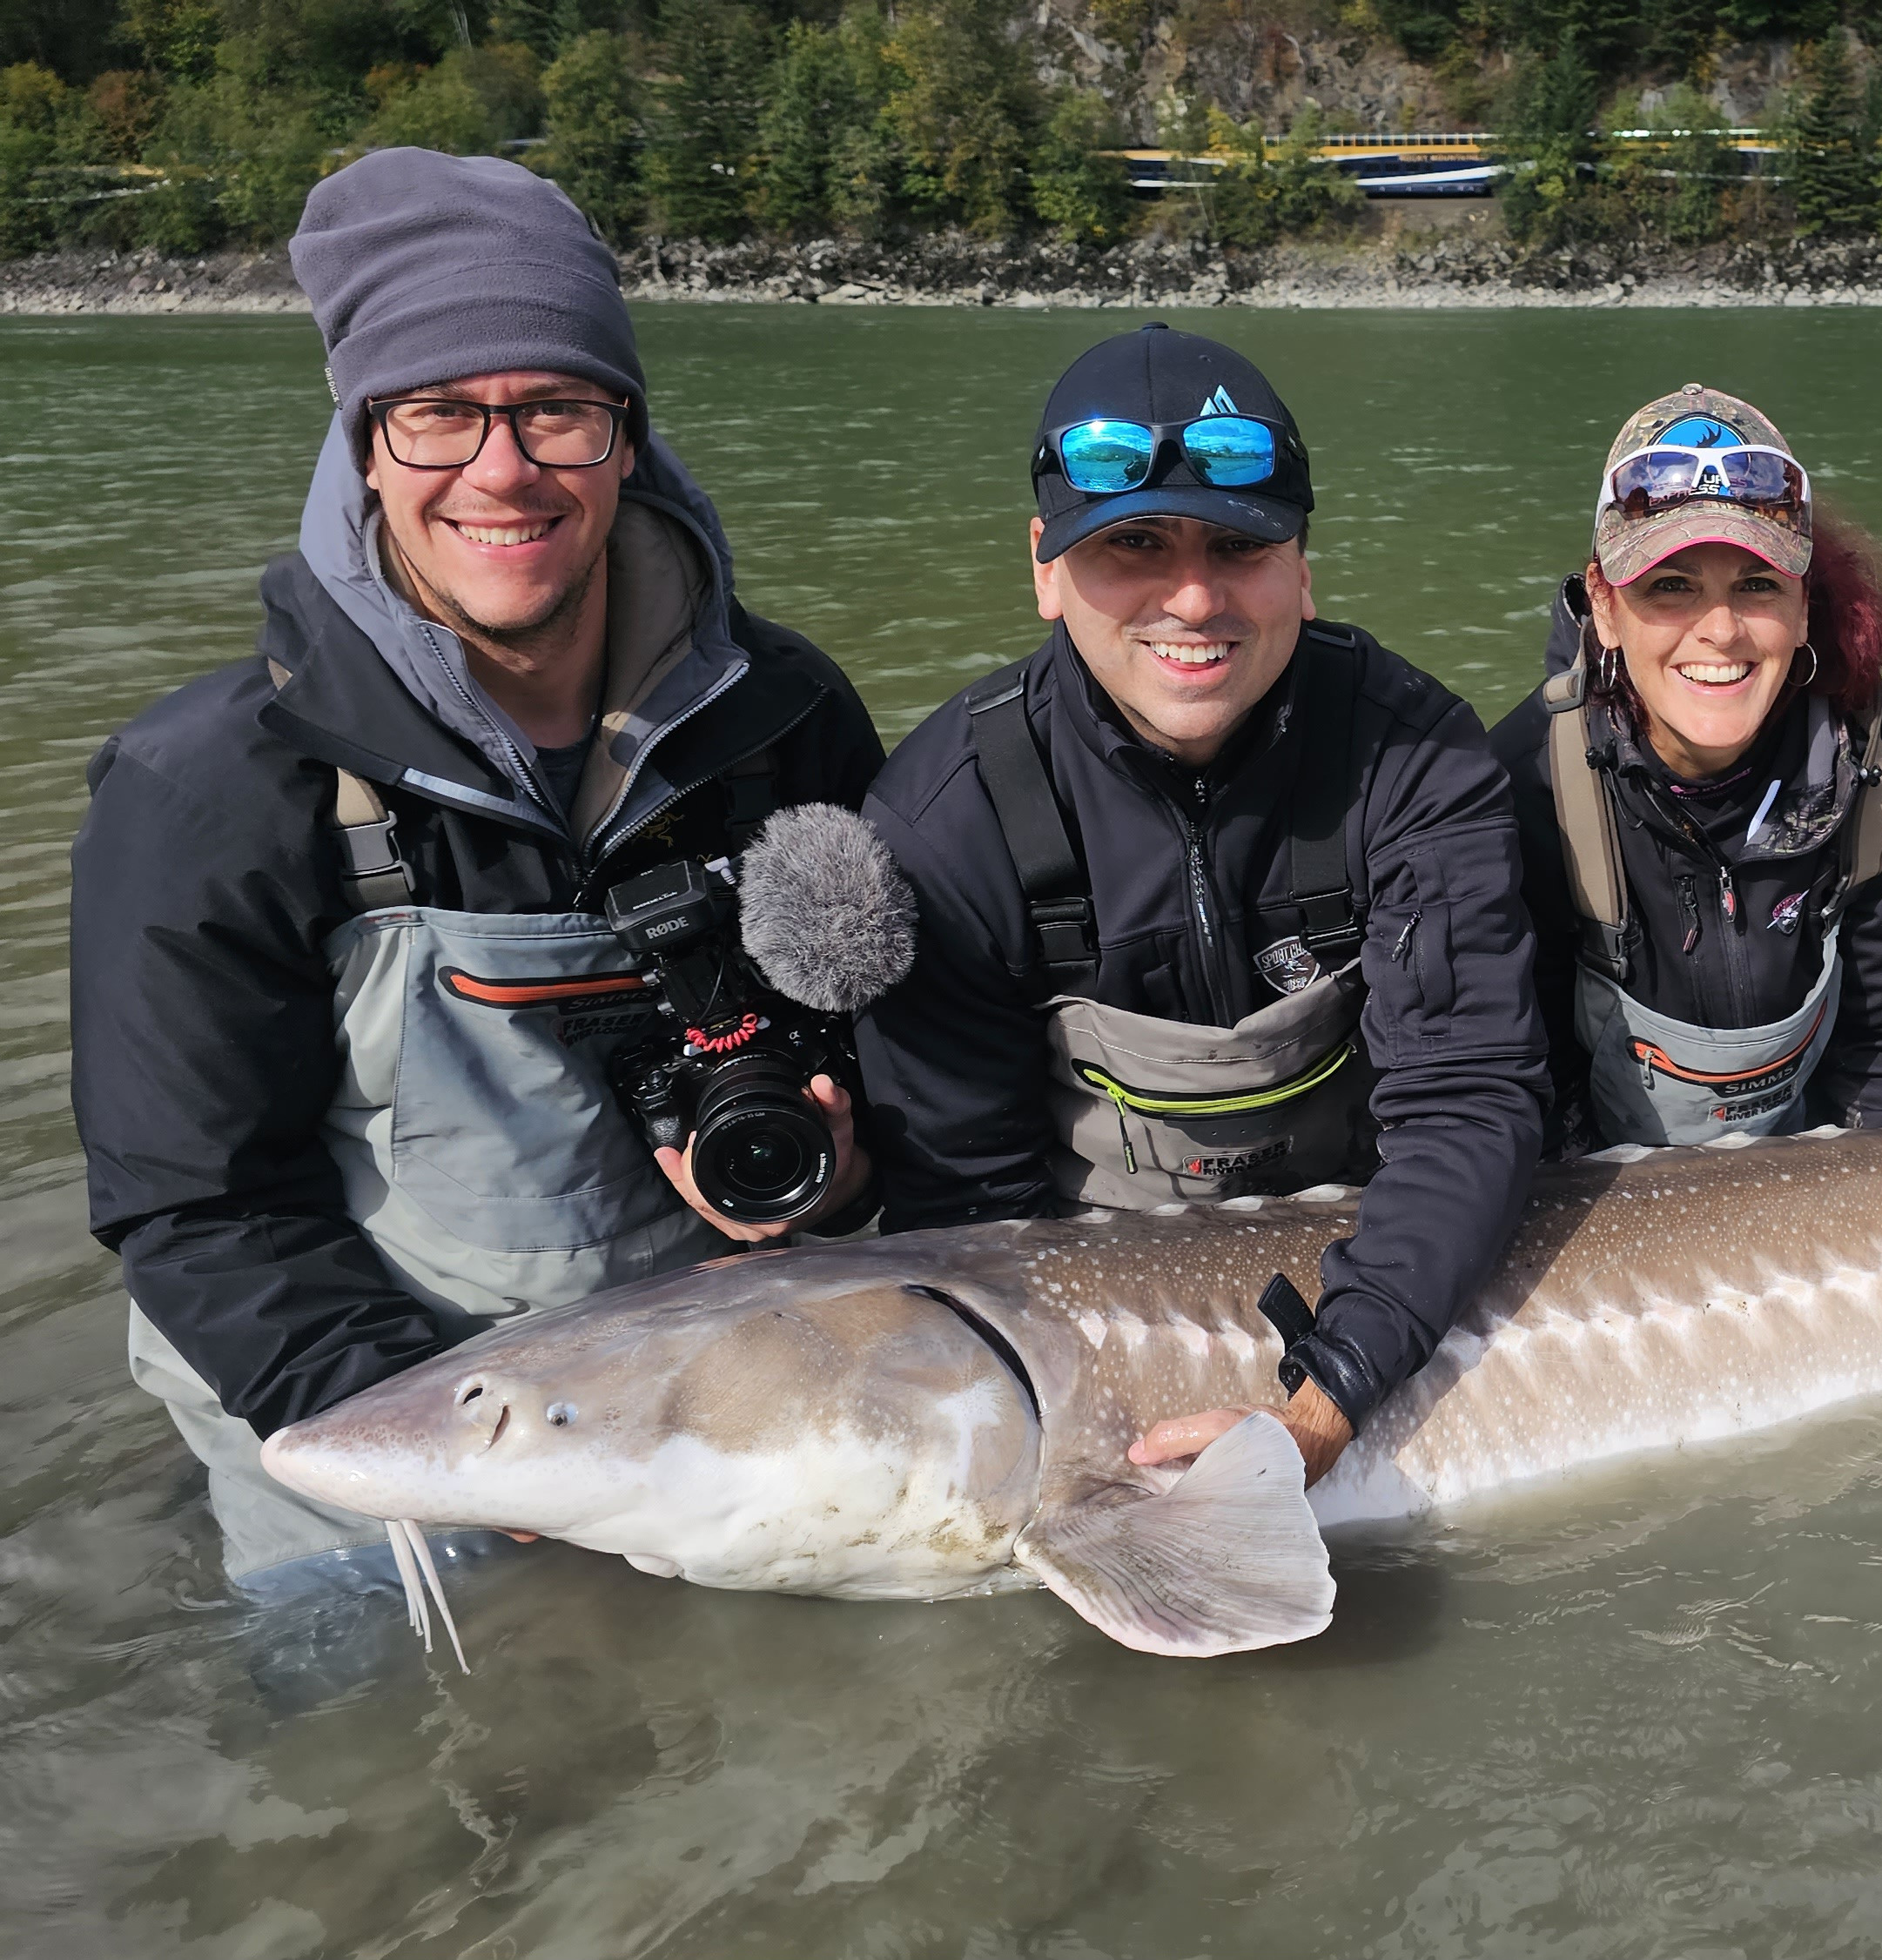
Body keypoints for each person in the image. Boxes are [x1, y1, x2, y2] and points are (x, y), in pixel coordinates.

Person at [69, 150, 886, 1590]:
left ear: (625, 441)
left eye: (556, 410)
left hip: (702, 1397)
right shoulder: (204, 785)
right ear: (365, 445)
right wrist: (453, 1452)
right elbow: (194, 1209)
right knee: (385, 1724)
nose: (502, 470)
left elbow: (887, 1042)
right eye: (439, 413)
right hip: (372, 1424)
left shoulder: (785, 717)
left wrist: (843, 1169)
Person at [856, 324, 1548, 1489]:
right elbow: (970, 1216)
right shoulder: (939, 823)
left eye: (1238, 545)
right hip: (1093, 1301)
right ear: (1044, 566)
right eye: (1132, 543)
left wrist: (1331, 1395)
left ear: (1301, 567)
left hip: (1386, 1269)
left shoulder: (1418, 756)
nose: (1192, 596)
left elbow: (1465, 1100)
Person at [1488, 386, 1882, 1153]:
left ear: (1804, 607)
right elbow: (1521, 1092)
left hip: (1820, 1167)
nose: (1720, 630)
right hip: (1597, 1179)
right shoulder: (1517, 789)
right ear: (1605, 607)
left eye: (1756, 585)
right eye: (1671, 586)